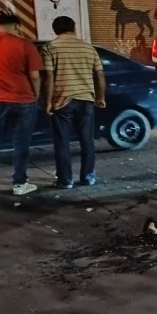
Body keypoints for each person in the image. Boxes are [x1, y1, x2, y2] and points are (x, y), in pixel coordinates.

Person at [42, 16, 106, 188]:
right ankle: (88, 177)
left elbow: (48, 76)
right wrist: (100, 97)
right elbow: (99, 75)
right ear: (74, 28)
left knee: (62, 141)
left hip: (62, 101)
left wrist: (48, 101)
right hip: (86, 100)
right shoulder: (88, 48)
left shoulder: (50, 48)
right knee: (87, 140)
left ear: (55, 30)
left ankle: (66, 180)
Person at [0, 10, 43, 196]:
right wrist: (35, 96)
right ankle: (20, 184)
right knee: (21, 142)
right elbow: (34, 77)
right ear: (17, 26)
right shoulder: (25, 45)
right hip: (23, 99)